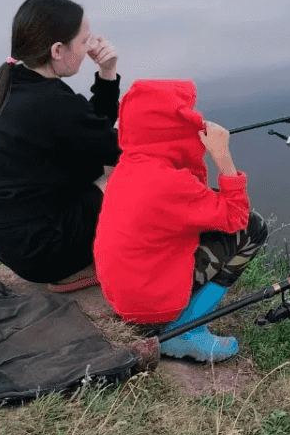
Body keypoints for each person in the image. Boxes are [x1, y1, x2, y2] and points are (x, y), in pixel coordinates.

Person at [94, 79, 267, 363]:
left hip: (123, 297)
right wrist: (222, 157)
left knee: (213, 215)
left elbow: (186, 206)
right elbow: (236, 217)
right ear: (173, 126)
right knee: (253, 228)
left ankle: (173, 320)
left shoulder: (128, 166)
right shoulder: (170, 183)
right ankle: (185, 330)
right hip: (150, 308)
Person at [0, 0, 120, 292]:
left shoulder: (11, 83)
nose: (90, 49)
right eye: (84, 42)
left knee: (99, 167)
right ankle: (101, 264)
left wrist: (106, 74)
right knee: (124, 174)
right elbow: (118, 149)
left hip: (9, 241)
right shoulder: (51, 102)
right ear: (58, 50)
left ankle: (82, 260)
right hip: (43, 252)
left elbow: (90, 133)